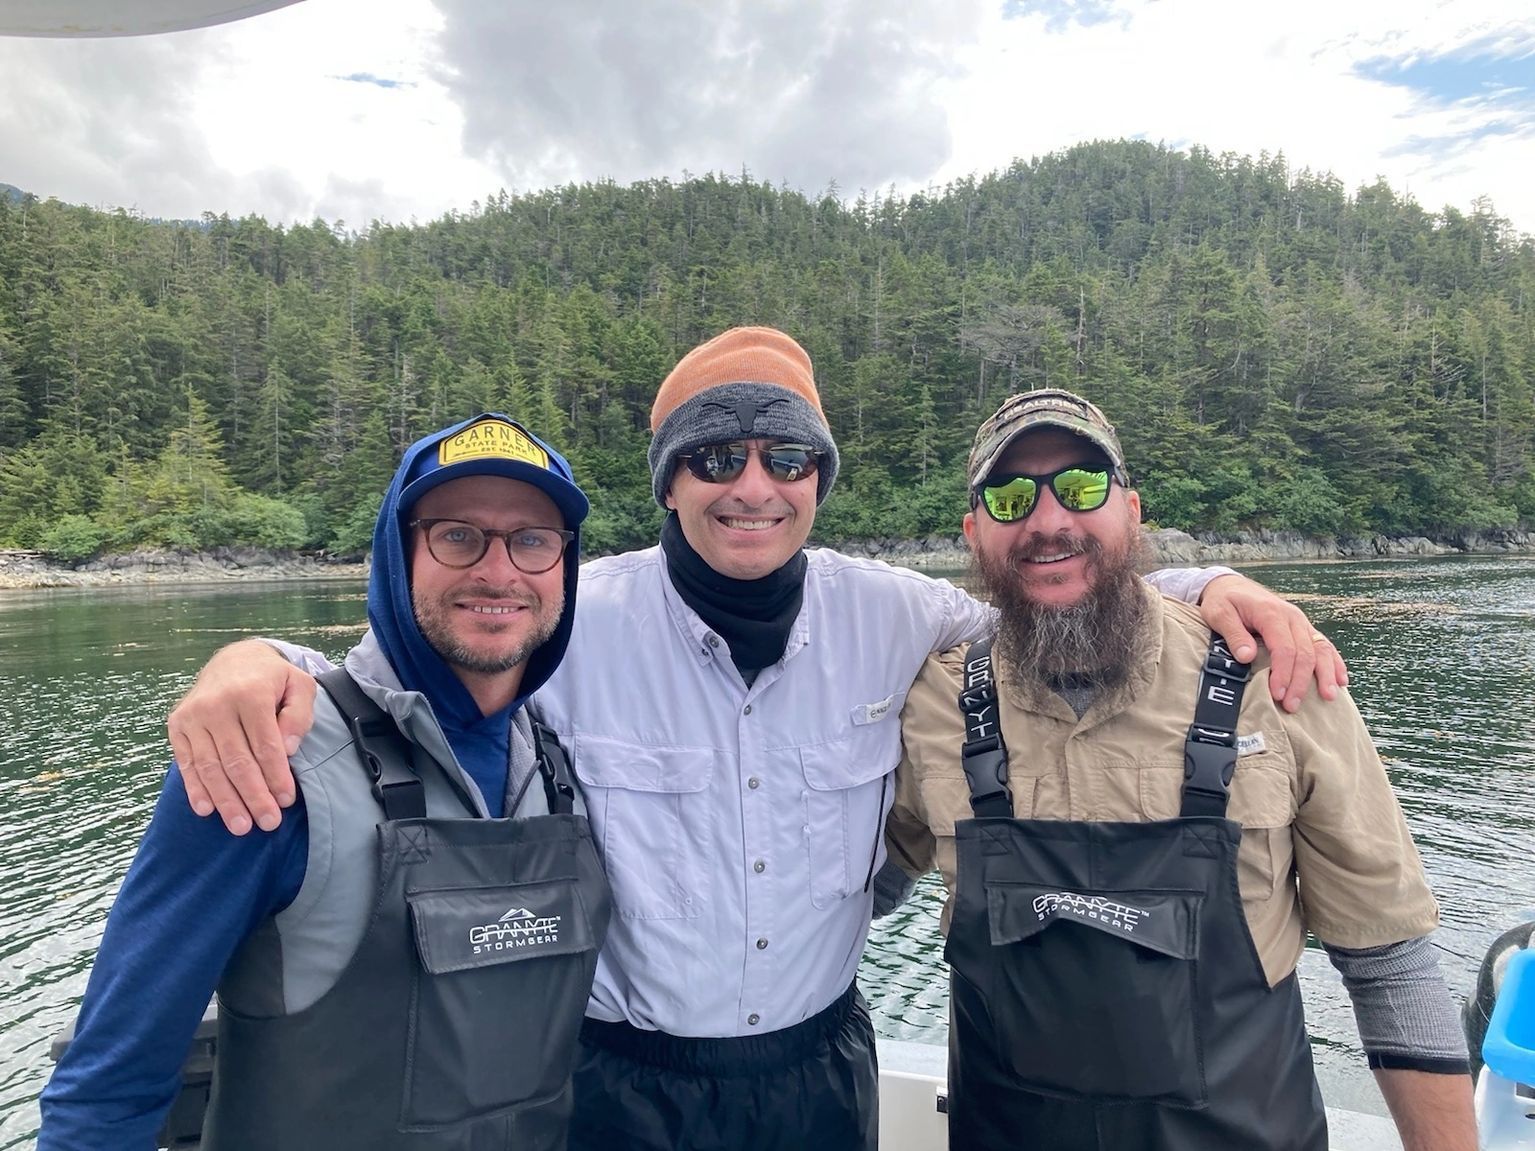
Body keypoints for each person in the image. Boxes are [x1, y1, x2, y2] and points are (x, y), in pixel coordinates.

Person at [165, 328, 1344, 1151]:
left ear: (817, 478)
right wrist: (261, 659)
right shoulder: (571, 615)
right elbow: (403, 676)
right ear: (668, 482)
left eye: (786, 459)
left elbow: (1048, 584)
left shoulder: (895, 616)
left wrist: (1205, 583)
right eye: (714, 458)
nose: (753, 486)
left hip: (819, 1074)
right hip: (614, 1081)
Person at [886, 388, 1477, 1151]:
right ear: (974, 532)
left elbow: (1389, 963)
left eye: (1080, 485)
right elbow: (848, 896)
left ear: (1131, 512)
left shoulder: (1278, 678)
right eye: (1008, 496)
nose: (1048, 519)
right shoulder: (930, 700)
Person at [40, 413, 613, 1151]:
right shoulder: (266, 759)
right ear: (396, 553)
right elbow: (109, 1085)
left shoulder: (566, 764)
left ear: (565, 564)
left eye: (531, 540)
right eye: (457, 535)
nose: (498, 572)